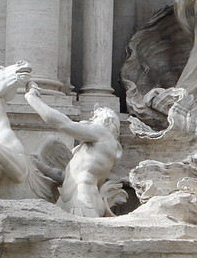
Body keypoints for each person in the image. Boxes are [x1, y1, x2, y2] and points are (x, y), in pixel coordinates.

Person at [24, 83, 123, 217]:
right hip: (67, 200)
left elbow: (64, 124)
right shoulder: (88, 149)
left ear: (106, 122)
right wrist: (40, 166)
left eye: (95, 118)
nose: (90, 120)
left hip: (83, 199)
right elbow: (65, 177)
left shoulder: (104, 134)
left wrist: (33, 100)